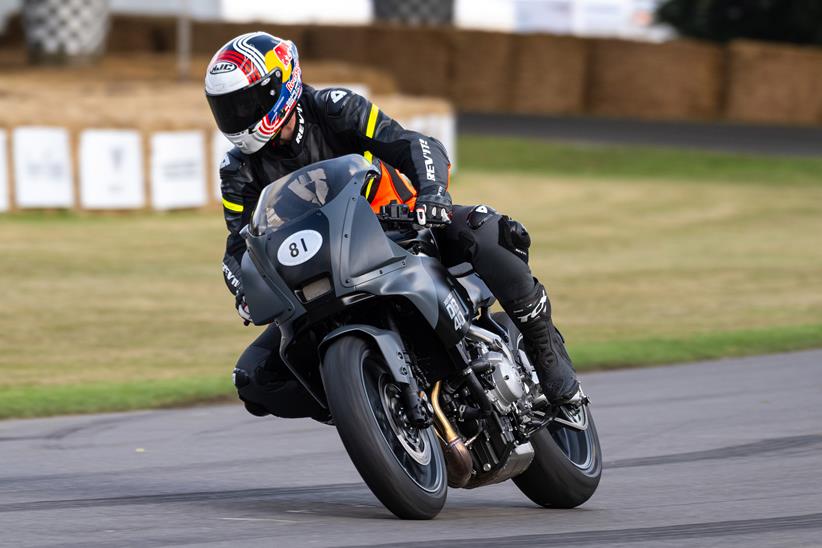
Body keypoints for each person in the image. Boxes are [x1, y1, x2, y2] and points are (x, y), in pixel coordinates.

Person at [205, 32, 579, 420]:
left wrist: (432, 195)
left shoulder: (333, 108)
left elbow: (415, 145)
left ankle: (545, 351)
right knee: (253, 378)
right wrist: (244, 288)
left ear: (279, 86)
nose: (236, 116)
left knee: (486, 229)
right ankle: (369, 406)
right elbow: (240, 245)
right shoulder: (237, 171)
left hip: (400, 227)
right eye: (226, 107)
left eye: (243, 102)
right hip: (321, 267)